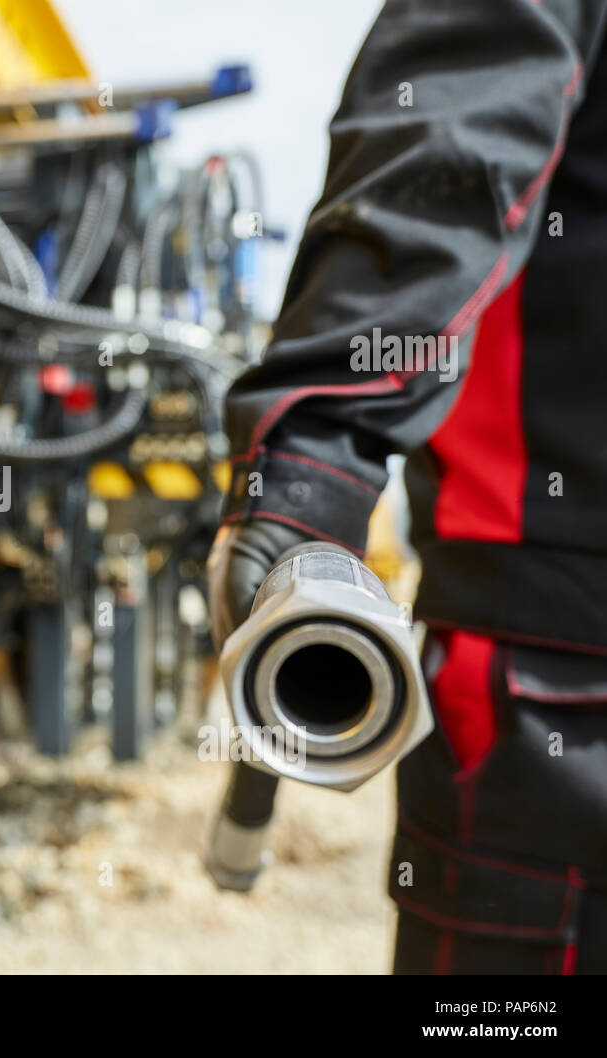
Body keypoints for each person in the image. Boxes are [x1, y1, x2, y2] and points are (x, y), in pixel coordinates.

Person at [206, 0, 607, 974]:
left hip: (558, 681)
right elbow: (455, 129)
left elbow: (451, 134)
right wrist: (310, 477)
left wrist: (307, 468)